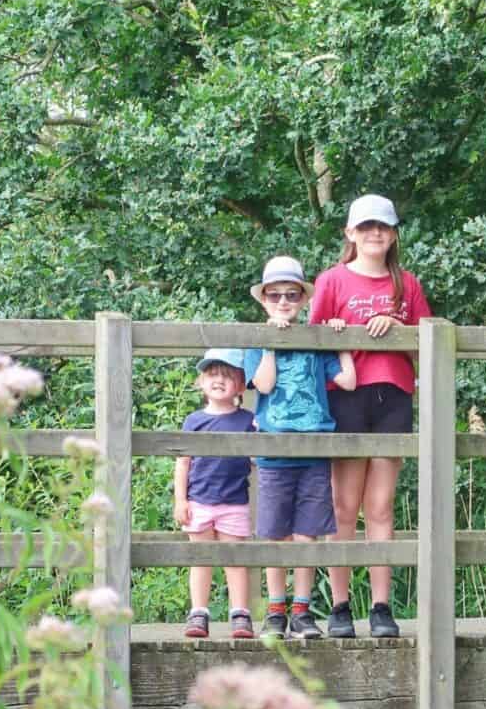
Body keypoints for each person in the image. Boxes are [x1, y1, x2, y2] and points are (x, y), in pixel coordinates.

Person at [309, 194, 432, 638]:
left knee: (380, 506)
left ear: (394, 233)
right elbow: (310, 340)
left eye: (382, 226)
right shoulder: (332, 280)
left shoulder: (407, 284)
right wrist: (335, 333)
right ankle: (340, 607)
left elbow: (428, 341)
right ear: (350, 234)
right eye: (365, 227)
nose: (374, 233)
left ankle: (381, 607)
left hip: (393, 394)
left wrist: (400, 330)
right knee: (344, 507)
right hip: (345, 396)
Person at [243, 256, 356, 639]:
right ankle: (275, 611)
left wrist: (341, 340)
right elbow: (265, 386)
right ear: (264, 300)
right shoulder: (258, 343)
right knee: (275, 534)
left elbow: (349, 382)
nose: (284, 301)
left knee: (308, 533)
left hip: (313, 451)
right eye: (275, 295)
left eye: (292, 294)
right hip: (274, 453)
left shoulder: (316, 339)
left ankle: (302, 612)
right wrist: (273, 343)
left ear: (303, 299)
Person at [173, 348, 257, 639]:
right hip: (199, 501)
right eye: (212, 374)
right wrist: (180, 500)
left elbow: (258, 458)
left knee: (235, 560)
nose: (218, 380)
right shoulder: (193, 420)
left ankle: (241, 614)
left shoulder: (248, 421)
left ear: (240, 384)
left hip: (234, 502)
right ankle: (198, 612)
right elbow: (183, 462)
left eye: (227, 375)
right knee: (201, 559)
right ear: (200, 382)